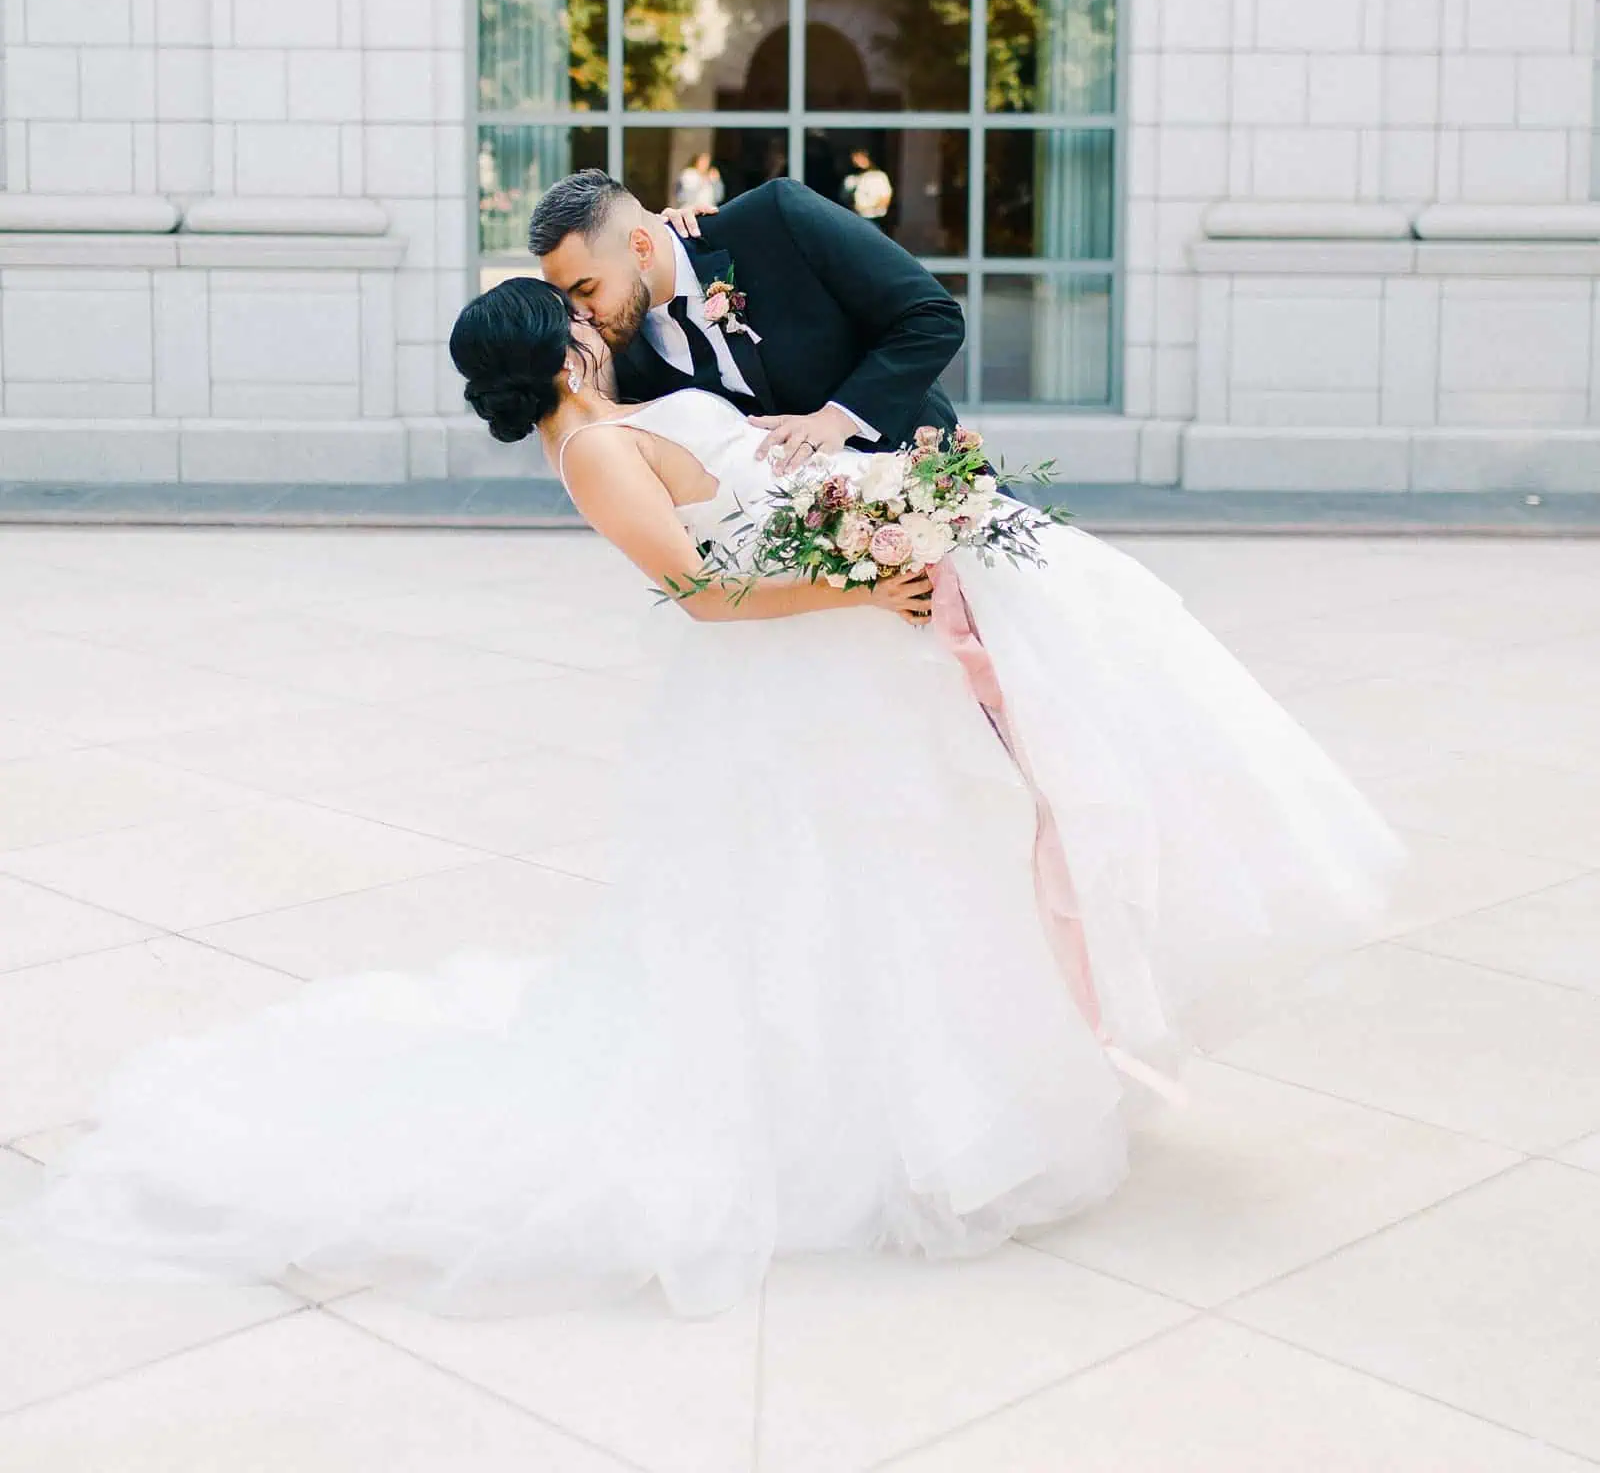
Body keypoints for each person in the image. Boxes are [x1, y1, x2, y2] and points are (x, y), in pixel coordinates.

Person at [16, 280, 1403, 1320]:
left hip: (850, 672)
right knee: (824, 898)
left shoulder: (636, 414)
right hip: (783, 688)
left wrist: (894, 498)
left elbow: (762, 483)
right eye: (562, 318)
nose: (584, 322)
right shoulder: (595, 454)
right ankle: (887, 1124)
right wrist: (868, 575)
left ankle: (954, 1094)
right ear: (546, 356)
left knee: (912, 881)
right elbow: (702, 592)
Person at [530, 166, 963, 476]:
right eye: (566, 298)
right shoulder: (619, 350)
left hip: (928, 493)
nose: (580, 313)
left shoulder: (776, 218)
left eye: (586, 289)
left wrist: (837, 419)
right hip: (800, 578)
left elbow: (932, 316)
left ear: (641, 248)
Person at [841, 146, 892, 223]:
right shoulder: (851, 178)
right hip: (854, 217)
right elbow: (844, 198)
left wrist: (872, 209)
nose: (857, 161)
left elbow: (885, 197)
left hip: (874, 218)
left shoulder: (879, 176)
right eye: (855, 158)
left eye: (859, 157)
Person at [672, 148, 724, 215]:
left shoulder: (712, 175)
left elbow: (719, 197)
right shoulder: (688, 174)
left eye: (707, 161)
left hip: (708, 212)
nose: (705, 164)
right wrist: (703, 180)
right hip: (690, 211)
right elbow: (684, 196)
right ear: (697, 161)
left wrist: (716, 182)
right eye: (703, 160)